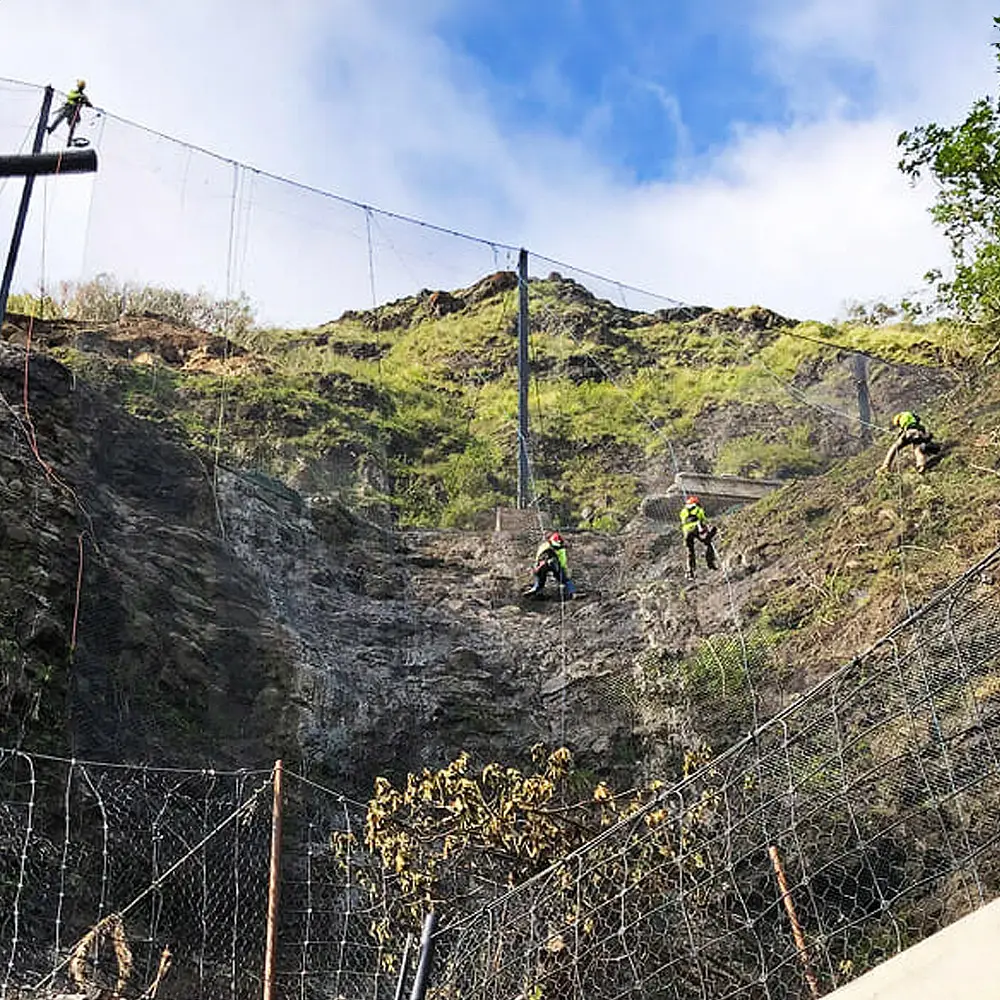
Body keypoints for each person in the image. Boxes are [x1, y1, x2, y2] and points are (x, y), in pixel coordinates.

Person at [525, 531, 576, 598]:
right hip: (553, 564)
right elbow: (563, 561)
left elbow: (538, 556)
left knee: (540, 581)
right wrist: (563, 570)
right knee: (566, 580)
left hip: (542, 565)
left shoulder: (544, 545)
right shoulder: (561, 549)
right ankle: (572, 593)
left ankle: (535, 589)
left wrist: (536, 565)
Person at [680, 495, 718, 580]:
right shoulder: (698, 510)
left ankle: (690, 572)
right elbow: (703, 520)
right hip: (696, 529)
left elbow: (683, 521)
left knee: (690, 552)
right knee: (708, 543)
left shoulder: (683, 511)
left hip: (686, 532)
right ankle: (710, 563)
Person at [46, 80, 93, 146]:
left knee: (72, 127)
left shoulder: (83, 96)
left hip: (74, 113)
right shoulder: (73, 92)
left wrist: (86, 102)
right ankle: (51, 129)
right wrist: (79, 97)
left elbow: (89, 104)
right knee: (58, 119)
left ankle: (69, 141)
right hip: (67, 109)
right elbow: (70, 96)